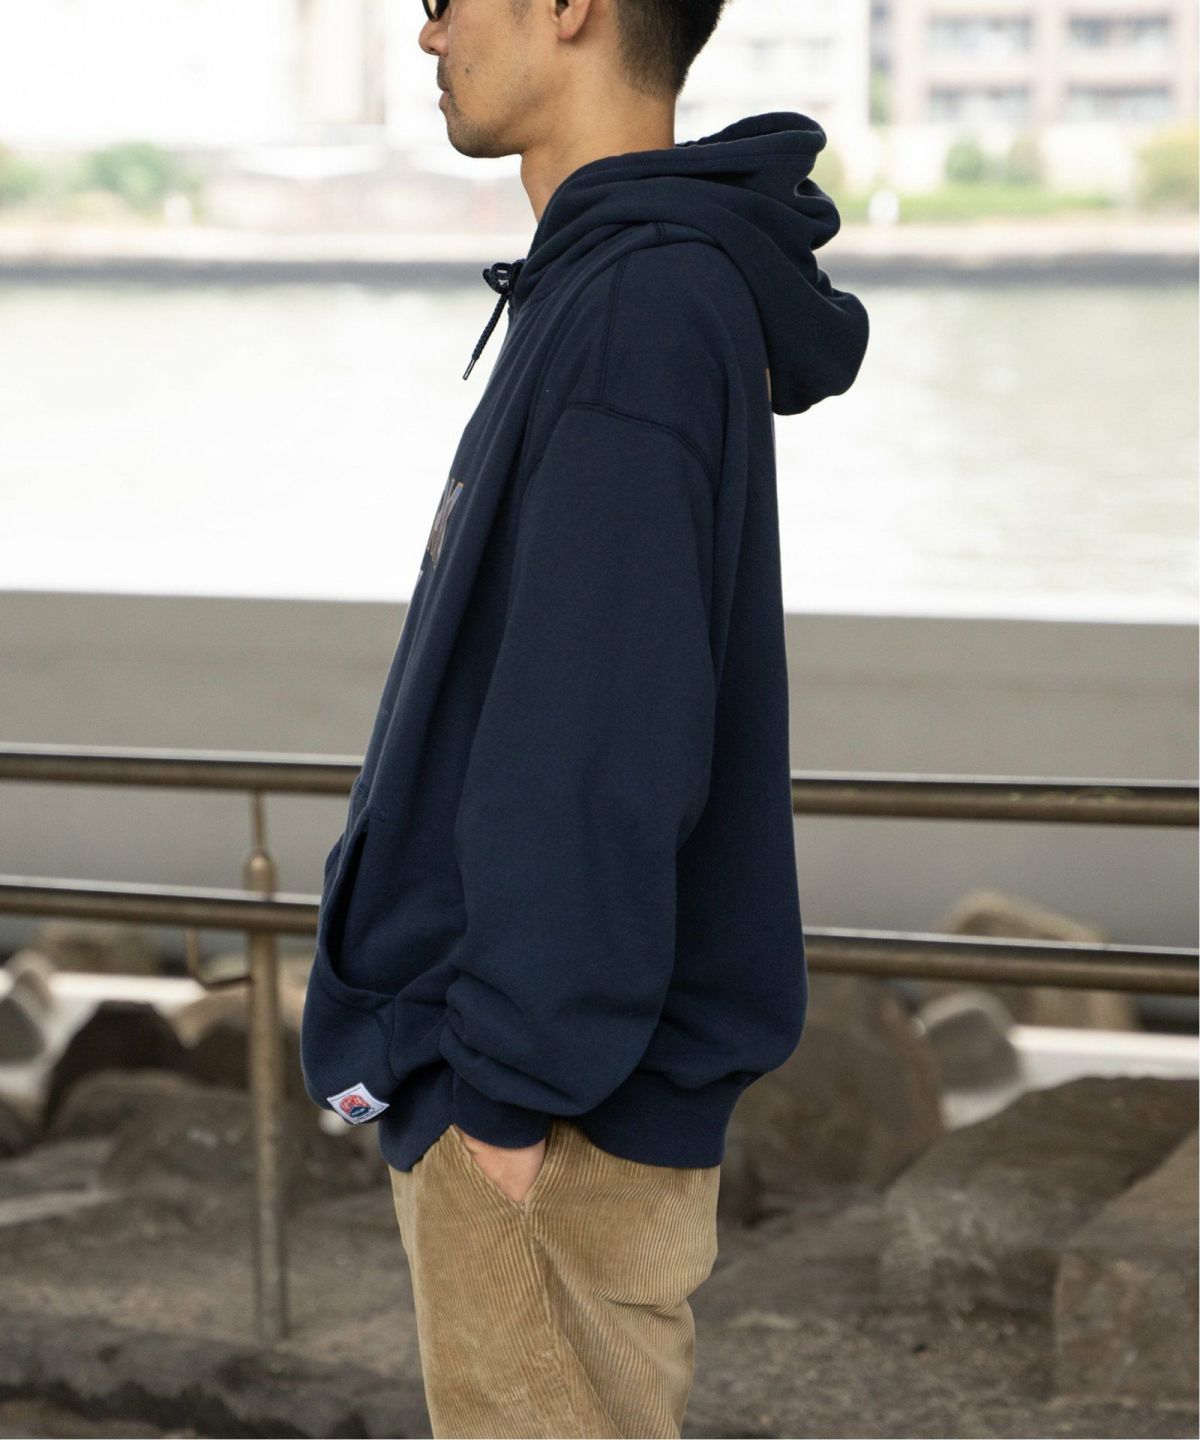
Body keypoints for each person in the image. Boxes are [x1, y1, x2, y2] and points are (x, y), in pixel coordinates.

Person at [300, 0, 869, 1434]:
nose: (428, 35)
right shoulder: (612, 284)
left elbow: (601, 740)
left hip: (546, 1120)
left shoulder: (640, 305)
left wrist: (503, 1101)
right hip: (540, 1095)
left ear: (570, 8)